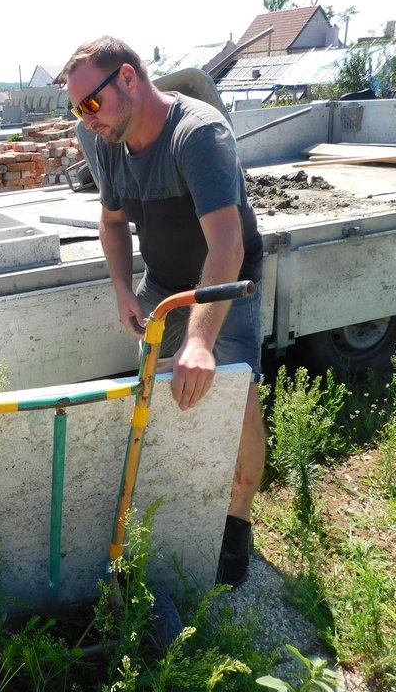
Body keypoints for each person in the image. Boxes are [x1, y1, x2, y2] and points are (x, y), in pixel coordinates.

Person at [59, 36, 266, 587]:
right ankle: (167, 508)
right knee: (156, 398)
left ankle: (235, 521)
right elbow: (111, 223)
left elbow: (227, 244)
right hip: (163, 285)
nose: (86, 119)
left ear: (128, 78)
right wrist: (123, 289)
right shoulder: (99, 137)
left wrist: (199, 341)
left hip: (226, 284)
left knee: (236, 401)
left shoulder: (196, 135)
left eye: (92, 103)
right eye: (78, 109)